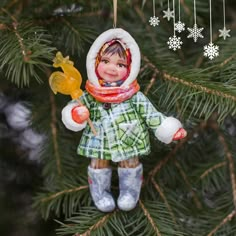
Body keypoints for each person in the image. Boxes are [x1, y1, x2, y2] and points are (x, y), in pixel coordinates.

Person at [61, 28, 187, 212]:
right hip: (99, 138)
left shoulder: (133, 95)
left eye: (120, 64)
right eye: (105, 61)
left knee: (130, 162)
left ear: (130, 69)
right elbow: (75, 106)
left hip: (129, 136)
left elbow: (150, 114)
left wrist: (167, 128)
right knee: (98, 163)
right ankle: (100, 192)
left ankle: (129, 191)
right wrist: (76, 114)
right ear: (94, 63)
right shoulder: (89, 95)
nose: (112, 68)